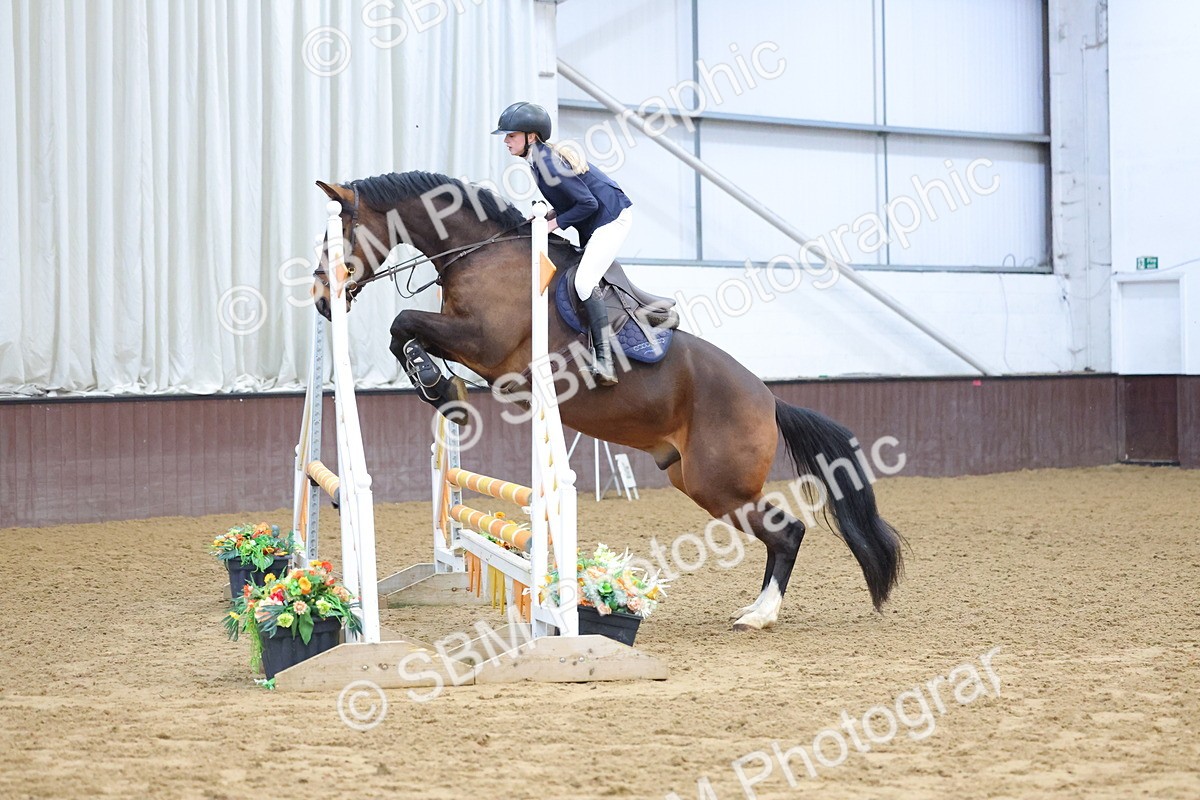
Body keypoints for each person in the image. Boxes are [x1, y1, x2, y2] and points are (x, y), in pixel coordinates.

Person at [493, 101, 631, 386]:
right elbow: (572, 200)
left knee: (584, 283)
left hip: (611, 217)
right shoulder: (537, 160)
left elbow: (588, 203)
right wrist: (547, 218)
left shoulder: (546, 162)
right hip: (596, 218)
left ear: (531, 136)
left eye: (511, 135)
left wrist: (552, 224)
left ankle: (605, 361)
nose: (506, 141)